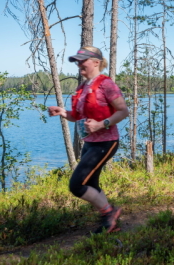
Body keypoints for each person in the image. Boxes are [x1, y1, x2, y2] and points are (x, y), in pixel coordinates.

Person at [48, 46, 129, 234]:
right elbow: (77, 116)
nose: (79, 64)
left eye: (82, 60)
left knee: (77, 185)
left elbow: (123, 111)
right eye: (77, 61)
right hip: (91, 143)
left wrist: (102, 124)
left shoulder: (106, 84)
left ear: (96, 62)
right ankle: (110, 223)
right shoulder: (83, 87)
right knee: (91, 184)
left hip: (106, 142)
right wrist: (62, 112)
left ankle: (109, 213)